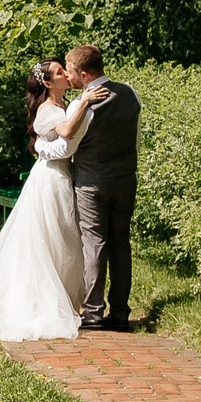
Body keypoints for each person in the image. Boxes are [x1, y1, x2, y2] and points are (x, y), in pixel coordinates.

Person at [0, 59, 114, 342]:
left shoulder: (62, 106)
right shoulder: (47, 110)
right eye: (59, 72)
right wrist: (86, 101)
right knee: (54, 239)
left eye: (64, 70)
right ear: (48, 83)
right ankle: (45, 303)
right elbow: (65, 133)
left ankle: (65, 299)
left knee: (66, 241)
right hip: (51, 180)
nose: (66, 74)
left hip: (63, 175)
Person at [64, 44, 140, 331]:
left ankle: (94, 312)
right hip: (125, 178)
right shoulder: (130, 93)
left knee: (95, 243)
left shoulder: (81, 104)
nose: (67, 76)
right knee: (121, 243)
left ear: (83, 74)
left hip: (91, 181)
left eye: (69, 71)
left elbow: (68, 145)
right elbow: (135, 138)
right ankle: (120, 313)